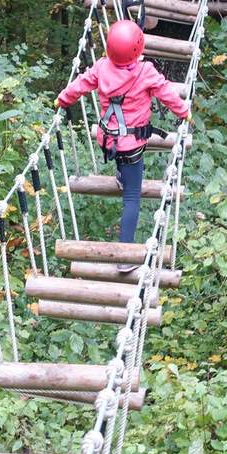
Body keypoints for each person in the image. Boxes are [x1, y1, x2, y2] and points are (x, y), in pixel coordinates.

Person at [56, 20, 191, 269]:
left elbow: (80, 85)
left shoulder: (101, 67)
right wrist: (184, 112)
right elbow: (167, 93)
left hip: (107, 140)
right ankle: (124, 258)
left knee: (121, 158)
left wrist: (63, 99)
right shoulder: (146, 72)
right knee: (132, 197)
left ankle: (120, 175)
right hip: (131, 146)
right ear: (138, 49)